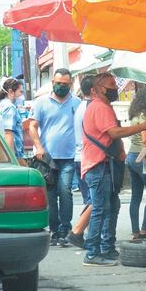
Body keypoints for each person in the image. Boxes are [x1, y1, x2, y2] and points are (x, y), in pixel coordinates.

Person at [81, 72, 146, 266]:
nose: (115, 88)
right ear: (96, 89)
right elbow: (114, 132)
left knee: (111, 207)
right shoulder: (99, 107)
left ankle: (107, 248)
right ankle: (92, 253)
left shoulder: (102, 107)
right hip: (98, 164)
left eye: (115, 84)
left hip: (105, 164)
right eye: (111, 85)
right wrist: (143, 126)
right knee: (101, 209)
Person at [28, 68, 81, 247]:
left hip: (69, 157)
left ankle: (65, 229)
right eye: (58, 83)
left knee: (65, 191)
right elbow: (32, 126)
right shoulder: (41, 102)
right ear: (53, 82)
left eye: (65, 84)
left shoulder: (77, 103)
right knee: (50, 195)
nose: (61, 86)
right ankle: (54, 229)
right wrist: (39, 147)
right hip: (47, 159)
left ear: (71, 84)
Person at [67, 76, 95, 249]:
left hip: (80, 157)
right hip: (89, 158)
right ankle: (77, 232)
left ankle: (91, 236)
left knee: (90, 199)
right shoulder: (90, 108)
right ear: (94, 90)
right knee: (96, 199)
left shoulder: (80, 107)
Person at [126, 86, 146, 241]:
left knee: (135, 196)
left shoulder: (134, 115)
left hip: (131, 155)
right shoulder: (144, 117)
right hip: (142, 157)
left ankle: (135, 231)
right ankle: (145, 229)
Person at [0, 77, 25, 163]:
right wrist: (11, 159)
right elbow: (8, 133)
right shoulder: (10, 107)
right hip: (12, 154)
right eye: (20, 92)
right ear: (11, 92)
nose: (22, 96)